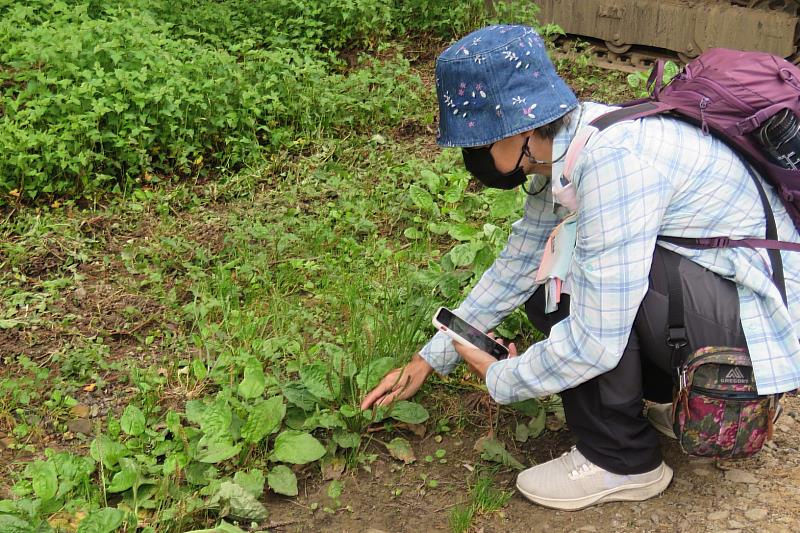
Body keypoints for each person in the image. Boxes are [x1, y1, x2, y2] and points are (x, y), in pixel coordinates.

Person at [361, 24, 800, 510]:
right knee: (549, 269)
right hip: (720, 301)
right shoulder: (573, 144)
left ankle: (621, 461)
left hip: (755, 336)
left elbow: (595, 339)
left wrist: (503, 378)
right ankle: (664, 403)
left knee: (564, 276)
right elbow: (517, 263)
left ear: (519, 130)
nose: (473, 159)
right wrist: (430, 357)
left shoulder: (615, 163)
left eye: (477, 143)